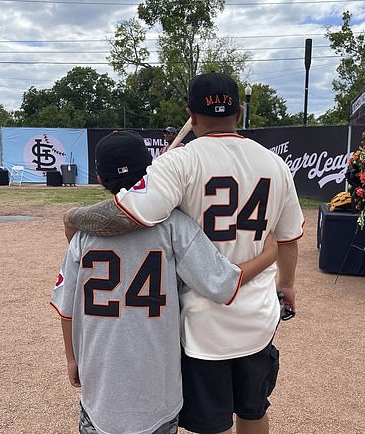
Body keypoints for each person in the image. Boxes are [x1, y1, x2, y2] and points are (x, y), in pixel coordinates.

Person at [64, 72, 304, 434]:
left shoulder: (178, 163)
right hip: (258, 316)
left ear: (190, 115)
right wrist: (286, 283)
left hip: (202, 323)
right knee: (254, 410)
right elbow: (288, 241)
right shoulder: (275, 165)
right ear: (239, 111)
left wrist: (73, 218)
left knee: (213, 423)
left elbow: (124, 214)